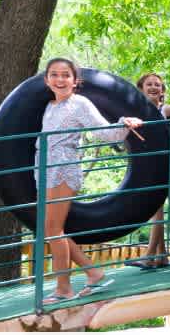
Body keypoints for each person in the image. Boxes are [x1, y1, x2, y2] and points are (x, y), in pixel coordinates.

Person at [36, 58, 144, 304]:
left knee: (52, 230)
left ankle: (63, 289)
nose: (60, 80)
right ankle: (94, 273)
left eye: (65, 75)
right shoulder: (50, 105)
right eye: (54, 75)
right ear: (47, 79)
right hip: (45, 169)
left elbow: (103, 132)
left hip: (63, 168)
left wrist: (124, 124)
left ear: (75, 81)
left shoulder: (80, 103)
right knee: (52, 230)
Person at [126, 73, 170, 270]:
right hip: (148, 164)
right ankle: (162, 256)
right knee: (157, 208)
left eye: (157, 85)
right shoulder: (138, 113)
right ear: (141, 89)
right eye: (149, 84)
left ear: (162, 90)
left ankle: (149, 256)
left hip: (164, 161)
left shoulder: (166, 109)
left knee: (156, 209)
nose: (153, 87)